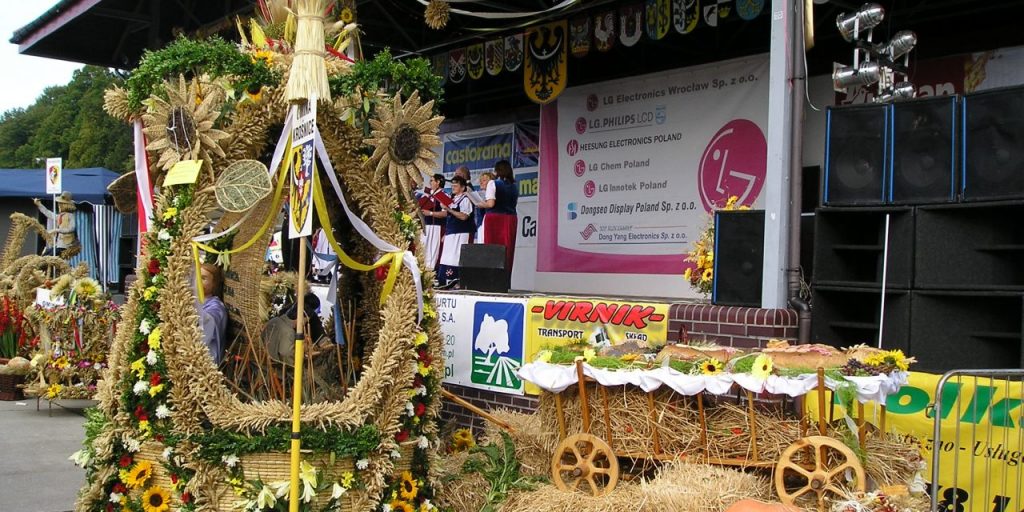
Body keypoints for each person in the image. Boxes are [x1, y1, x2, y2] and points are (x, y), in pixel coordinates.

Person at [475, 160, 518, 273]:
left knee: (492, 247)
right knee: (507, 248)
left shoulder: (493, 183)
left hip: (495, 218)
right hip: (511, 219)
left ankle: (491, 275)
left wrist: (479, 204)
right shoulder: (514, 186)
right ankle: (505, 276)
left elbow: (490, 204)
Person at [436, 176, 475, 289]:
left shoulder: (465, 199)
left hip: (461, 232)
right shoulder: (452, 199)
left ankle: (458, 281)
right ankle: (444, 281)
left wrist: (449, 209)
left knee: (457, 257)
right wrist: (446, 232)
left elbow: (464, 216)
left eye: (456, 186)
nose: (453, 187)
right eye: (452, 185)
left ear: (462, 188)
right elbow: (448, 216)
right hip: (451, 232)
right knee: (447, 256)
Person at [200, 263, 228, 364]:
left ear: (214, 284)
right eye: (196, 277)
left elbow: (208, 322)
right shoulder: (194, 301)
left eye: (203, 278)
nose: (198, 281)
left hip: (206, 362)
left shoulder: (216, 306)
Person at [418, 174, 446, 275]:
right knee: (422, 250)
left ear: (438, 182)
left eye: (432, 180)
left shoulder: (443, 195)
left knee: (433, 251)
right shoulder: (427, 195)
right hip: (425, 226)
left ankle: (430, 275)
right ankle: (421, 272)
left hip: (436, 227)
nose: (430, 183)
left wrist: (430, 213)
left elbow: (446, 213)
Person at [472, 172, 495, 243]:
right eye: (480, 181)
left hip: (489, 226)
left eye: (484, 180)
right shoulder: (480, 194)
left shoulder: (493, 196)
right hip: (480, 225)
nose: (481, 182)